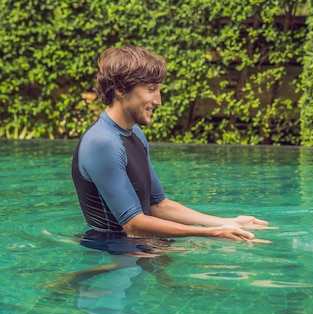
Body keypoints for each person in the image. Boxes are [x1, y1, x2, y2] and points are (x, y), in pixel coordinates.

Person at [72, 46, 272, 256]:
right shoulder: (102, 142)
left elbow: (158, 204)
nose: (159, 100)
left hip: (143, 246)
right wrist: (212, 233)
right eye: (150, 89)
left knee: (259, 246)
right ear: (121, 89)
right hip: (112, 253)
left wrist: (228, 222)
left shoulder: (135, 134)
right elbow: (133, 225)